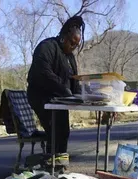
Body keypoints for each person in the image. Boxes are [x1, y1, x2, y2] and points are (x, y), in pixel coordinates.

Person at [26, 15, 85, 167]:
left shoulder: (69, 57)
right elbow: (44, 73)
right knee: (54, 130)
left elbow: (74, 79)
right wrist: (64, 90)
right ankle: (49, 165)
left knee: (64, 131)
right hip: (41, 97)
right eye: (72, 42)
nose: (73, 47)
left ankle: (58, 164)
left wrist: (81, 95)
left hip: (60, 100)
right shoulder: (46, 47)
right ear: (63, 37)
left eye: (76, 45)